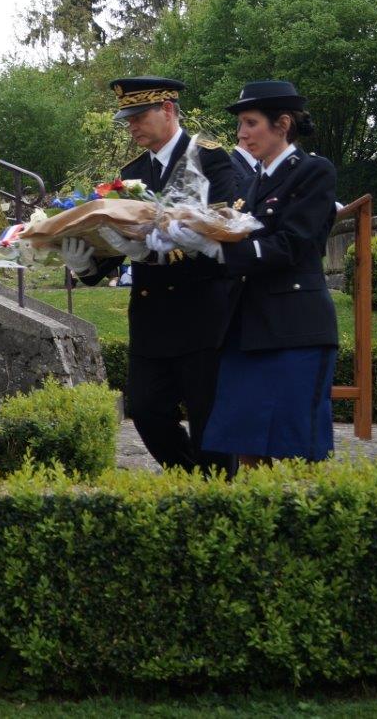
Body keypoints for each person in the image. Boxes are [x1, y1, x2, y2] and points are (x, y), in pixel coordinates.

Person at [59, 77, 236, 475]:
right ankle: (191, 481)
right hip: (152, 317)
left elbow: (224, 233)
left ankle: (220, 498)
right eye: (128, 119)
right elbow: (116, 235)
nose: (132, 126)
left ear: (168, 110)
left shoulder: (211, 159)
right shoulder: (130, 173)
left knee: (211, 422)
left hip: (203, 313)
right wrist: (86, 263)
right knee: (145, 409)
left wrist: (164, 247)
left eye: (139, 116)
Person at [165, 80, 338, 465]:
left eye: (250, 123)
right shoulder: (254, 182)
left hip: (294, 327)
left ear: (283, 123)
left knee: (298, 451)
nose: (242, 134)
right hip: (248, 328)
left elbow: (293, 244)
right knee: (246, 447)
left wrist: (221, 249)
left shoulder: (313, 171)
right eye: (241, 124)